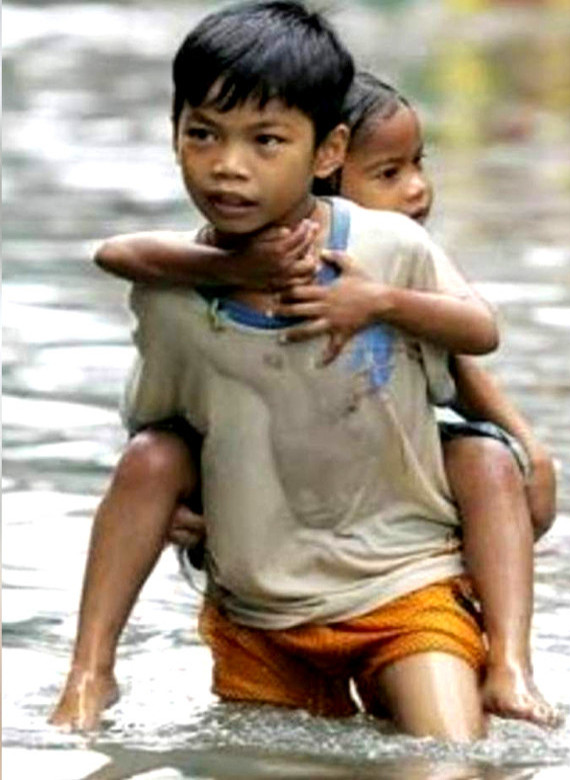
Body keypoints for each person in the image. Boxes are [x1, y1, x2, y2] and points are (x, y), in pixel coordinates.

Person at [47, 1, 542, 740]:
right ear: (174, 134)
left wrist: (378, 305)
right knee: (150, 457)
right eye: (202, 135)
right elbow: (159, 434)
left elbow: (478, 336)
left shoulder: (391, 250)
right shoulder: (171, 297)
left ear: (326, 151)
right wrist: (178, 513)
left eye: (266, 140)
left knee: (448, 759)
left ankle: (508, 665)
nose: (228, 166)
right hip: (262, 608)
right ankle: (89, 673)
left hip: (401, 584)